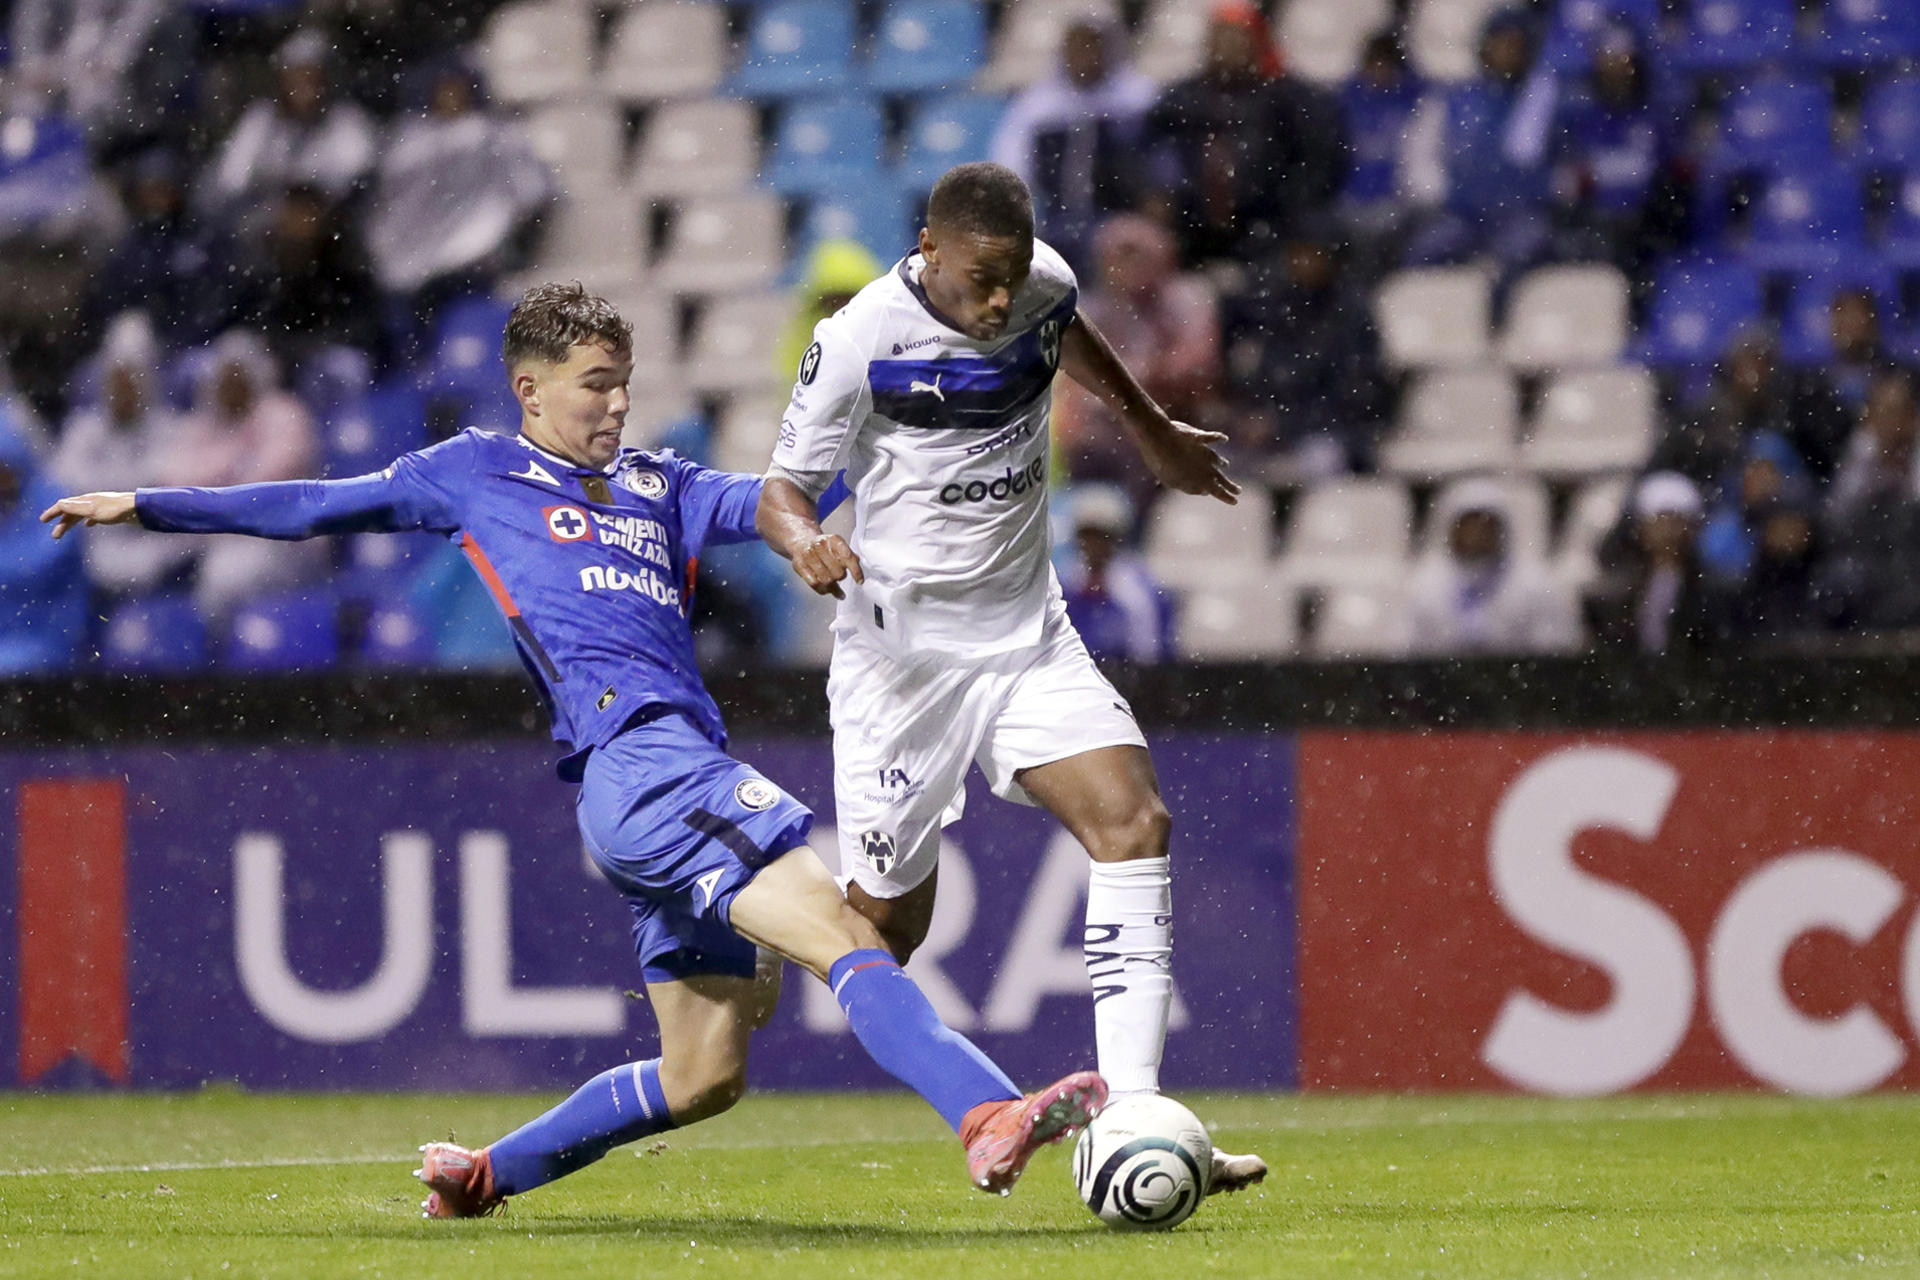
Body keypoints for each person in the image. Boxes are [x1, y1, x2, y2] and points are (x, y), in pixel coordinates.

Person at [42, 282, 1105, 1217]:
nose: (616, 404)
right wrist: (146, 504)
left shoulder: (663, 486)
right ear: (531, 388)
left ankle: (483, 1174)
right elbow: (319, 502)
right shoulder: (473, 472)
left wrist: (902, 432)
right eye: (595, 383)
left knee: (703, 1077)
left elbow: (780, 498)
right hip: (644, 766)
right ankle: (981, 1111)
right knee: (837, 929)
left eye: (626, 383)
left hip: (662, 776)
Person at [754, 162, 1264, 1195]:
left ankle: (1129, 1114)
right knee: (888, 929)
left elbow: (1063, 325)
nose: (1000, 299)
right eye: (981, 279)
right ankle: (762, 919)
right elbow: (780, 489)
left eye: (1013, 276)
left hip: (1027, 635)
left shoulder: (1039, 283)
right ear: (930, 250)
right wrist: (806, 540)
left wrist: (1150, 425)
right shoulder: (858, 338)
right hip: (901, 667)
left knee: (1134, 821)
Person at [989, 19, 1156, 272]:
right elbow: (1010, 168)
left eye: (1092, 47)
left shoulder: (1137, 98)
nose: (1085, 57)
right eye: (1077, 48)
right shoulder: (1037, 105)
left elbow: (1157, 166)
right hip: (1054, 219)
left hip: (1118, 220)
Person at [1405, 478, 1581, 656]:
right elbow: (1404, 654)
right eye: (1467, 526)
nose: (1475, 535)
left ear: (1502, 529)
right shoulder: (1421, 588)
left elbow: (1557, 654)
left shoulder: (1538, 585)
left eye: (1484, 526)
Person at [1057, 484, 1173, 663]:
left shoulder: (1141, 589)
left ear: (1117, 538)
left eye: (1101, 536)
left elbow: (1150, 651)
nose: (1093, 545)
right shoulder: (1064, 585)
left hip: (1129, 676)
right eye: (1087, 536)